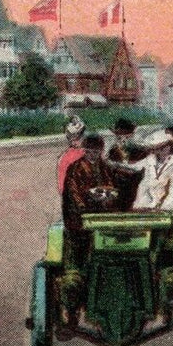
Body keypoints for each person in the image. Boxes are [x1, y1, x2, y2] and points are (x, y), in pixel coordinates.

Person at [60, 134, 123, 331]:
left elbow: (112, 187)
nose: (93, 155)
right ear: (85, 151)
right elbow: (72, 193)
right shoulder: (75, 168)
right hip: (80, 221)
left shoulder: (105, 167)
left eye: (96, 152)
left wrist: (108, 197)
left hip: (103, 219)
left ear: (101, 151)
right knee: (78, 262)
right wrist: (86, 203)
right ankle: (73, 311)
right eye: (89, 151)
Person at [111, 129, 173, 213]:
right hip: (140, 209)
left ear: (170, 147)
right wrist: (113, 164)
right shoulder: (150, 160)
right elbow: (133, 166)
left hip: (160, 214)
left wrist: (161, 210)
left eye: (162, 147)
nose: (157, 151)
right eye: (156, 148)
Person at [56, 115, 88, 194]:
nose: (74, 142)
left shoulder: (90, 151)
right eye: (71, 139)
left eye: (78, 137)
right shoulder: (65, 158)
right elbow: (62, 185)